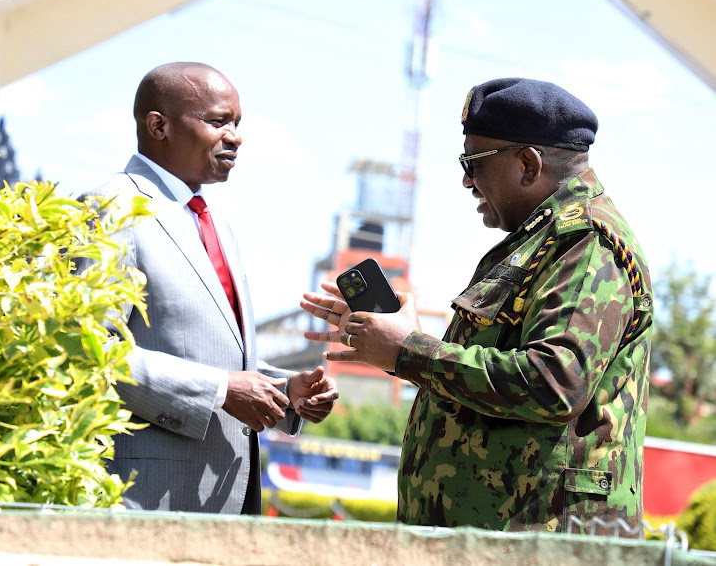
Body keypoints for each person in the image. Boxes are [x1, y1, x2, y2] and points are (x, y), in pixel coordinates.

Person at [301, 78, 653, 534]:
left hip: (540, 542)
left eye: (473, 163)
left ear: (528, 164)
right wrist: (402, 347)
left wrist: (408, 351)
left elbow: (555, 382)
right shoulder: (538, 242)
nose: (466, 180)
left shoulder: (584, 243)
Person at [76, 62, 338, 515]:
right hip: (145, 499)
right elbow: (88, 350)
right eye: (218, 121)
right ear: (158, 125)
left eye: (237, 124)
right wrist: (219, 389)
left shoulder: (215, 224)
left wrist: (285, 389)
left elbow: (216, 360)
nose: (235, 137)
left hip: (222, 499)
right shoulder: (112, 208)